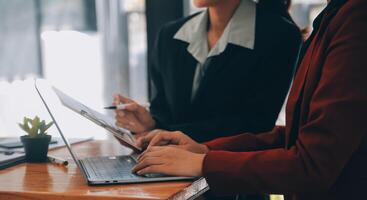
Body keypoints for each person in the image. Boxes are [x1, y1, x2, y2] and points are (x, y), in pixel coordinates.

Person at [132, 0, 367, 199]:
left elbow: (312, 163)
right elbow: (296, 136)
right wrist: (204, 150)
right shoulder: (334, 15)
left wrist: (204, 162)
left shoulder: (354, 18)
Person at [113, 0, 301, 143]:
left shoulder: (280, 36)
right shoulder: (170, 36)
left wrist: (166, 133)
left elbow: (253, 126)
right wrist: (151, 123)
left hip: (232, 185)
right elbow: (165, 111)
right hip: (167, 176)